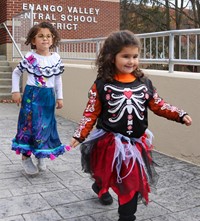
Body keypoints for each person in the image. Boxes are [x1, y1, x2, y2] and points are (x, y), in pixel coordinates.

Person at [70, 30, 192, 221]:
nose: (131, 61)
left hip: (134, 144)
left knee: (131, 181)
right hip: (108, 142)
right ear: (111, 57)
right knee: (104, 172)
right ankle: (100, 187)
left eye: (135, 56)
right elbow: (91, 111)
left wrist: (179, 114)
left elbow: (158, 104)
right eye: (125, 56)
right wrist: (79, 135)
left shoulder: (144, 83)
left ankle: (127, 216)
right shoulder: (102, 84)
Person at [12, 22, 68, 175]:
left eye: (48, 36)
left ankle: (41, 153)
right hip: (32, 96)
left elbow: (58, 79)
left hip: (48, 97)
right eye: (41, 36)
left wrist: (60, 97)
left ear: (53, 39)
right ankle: (25, 157)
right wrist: (16, 91)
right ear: (33, 40)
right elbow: (16, 73)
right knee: (29, 125)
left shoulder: (56, 57)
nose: (45, 39)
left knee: (45, 126)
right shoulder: (30, 57)